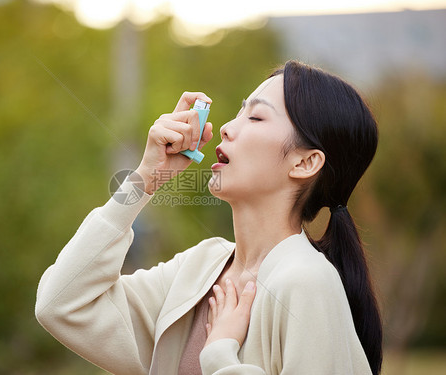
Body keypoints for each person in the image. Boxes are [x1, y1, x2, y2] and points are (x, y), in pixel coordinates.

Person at [35, 60, 383, 375]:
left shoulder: (307, 282)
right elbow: (61, 303)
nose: (227, 128)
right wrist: (145, 178)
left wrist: (219, 355)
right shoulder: (199, 267)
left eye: (256, 117)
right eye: (239, 112)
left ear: (305, 163)